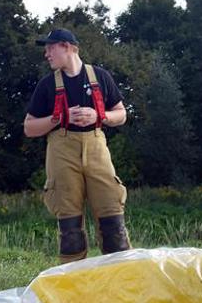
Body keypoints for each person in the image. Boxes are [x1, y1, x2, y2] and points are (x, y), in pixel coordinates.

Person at [24, 28, 131, 264]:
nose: (46, 54)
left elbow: (121, 114)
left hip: (95, 146)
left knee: (114, 226)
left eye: (50, 48)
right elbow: (29, 128)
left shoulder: (100, 77)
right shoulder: (47, 85)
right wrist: (58, 117)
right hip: (62, 151)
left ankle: (122, 281)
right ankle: (72, 288)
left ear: (68, 46)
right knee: (70, 232)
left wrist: (98, 116)